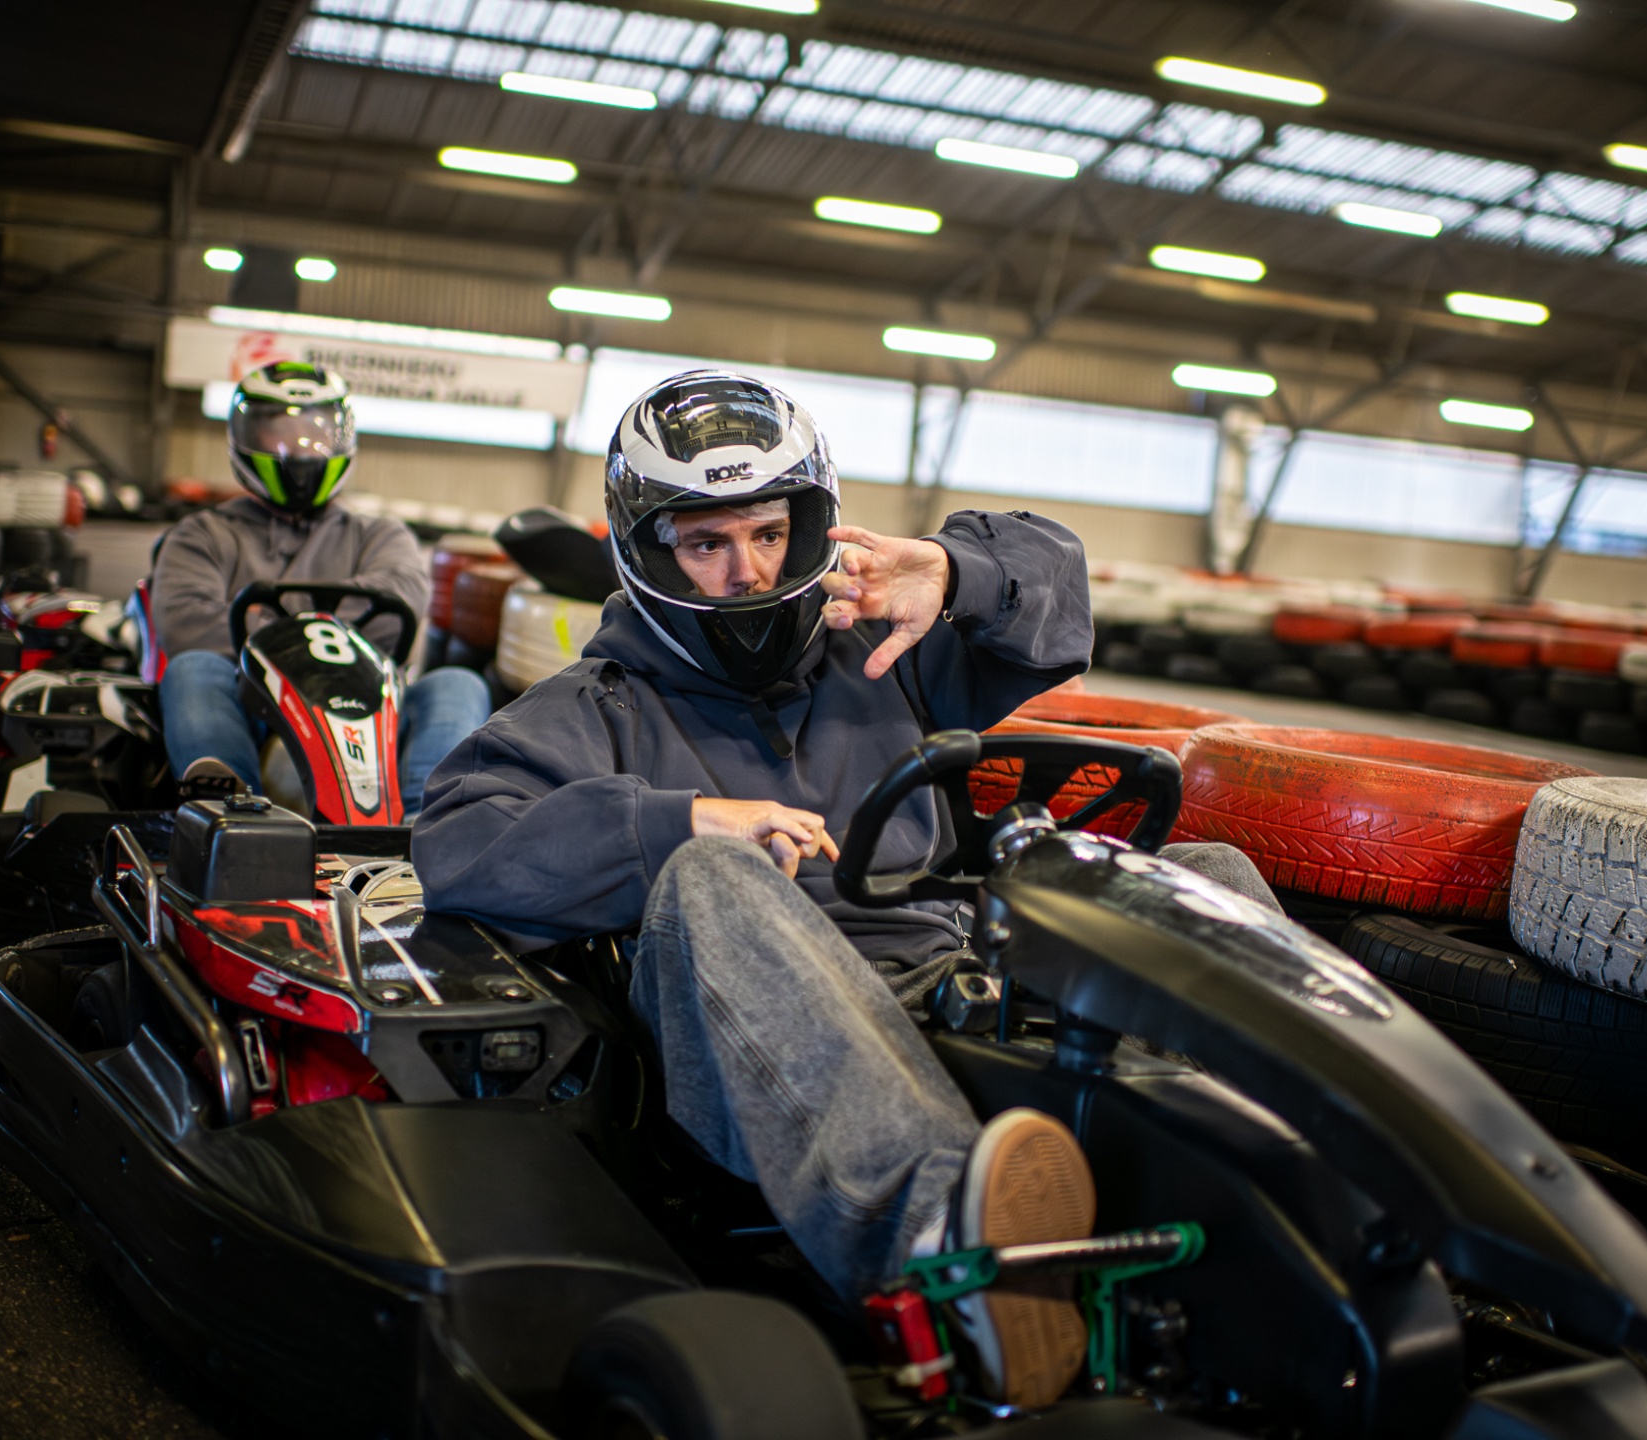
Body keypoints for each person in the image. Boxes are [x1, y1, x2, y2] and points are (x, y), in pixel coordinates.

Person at [413, 371, 1278, 1409]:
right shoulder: (590, 709)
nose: (748, 571)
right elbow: (457, 844)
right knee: (716, 876)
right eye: (707, 543)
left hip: (955, 981)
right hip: (758, 1031)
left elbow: (1056, 597)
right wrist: (678, 820)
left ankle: (1303, 1179)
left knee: (1203, 877)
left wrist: (953, 572)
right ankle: (948, 1251)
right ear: (646, 550)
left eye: (770, 534)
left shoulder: (884, 653)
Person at [150, 360, 488, 816]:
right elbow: (186, 622)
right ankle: (236, 815)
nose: (300, 447)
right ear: (248, 437)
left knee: (460, 684)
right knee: (193, 668)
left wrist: (260, 620)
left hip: (368, 709)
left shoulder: (379, 535)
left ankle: (422, 823)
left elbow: (398, 610)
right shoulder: (202, 534)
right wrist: (328, 626)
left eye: (315, 430)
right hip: (253, 704)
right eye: (280, 432)